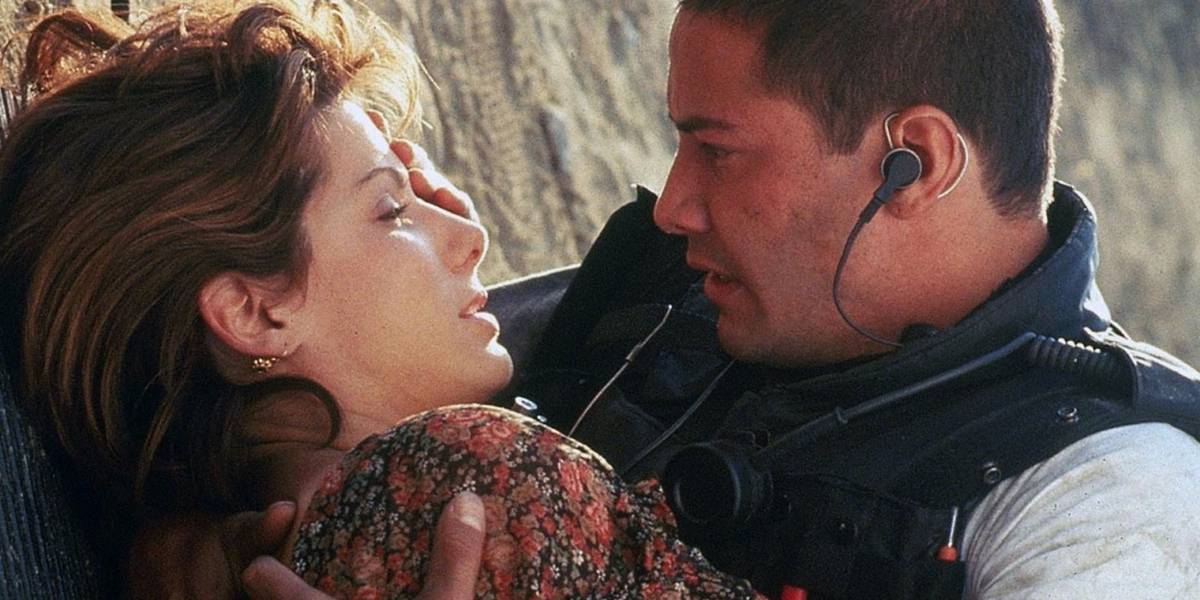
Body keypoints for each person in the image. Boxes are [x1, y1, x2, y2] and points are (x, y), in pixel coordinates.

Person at [137, 0, 1200, 598]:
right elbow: (296, 405)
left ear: (913, 163)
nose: (675, 203)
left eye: (717, 149)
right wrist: (195, 553)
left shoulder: (1111, 504)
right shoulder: (668, 303)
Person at [0, 1, 766, 598]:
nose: (471, 238)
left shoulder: (235, 544)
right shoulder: (475, 484)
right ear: (254, 312)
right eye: (393, 210)